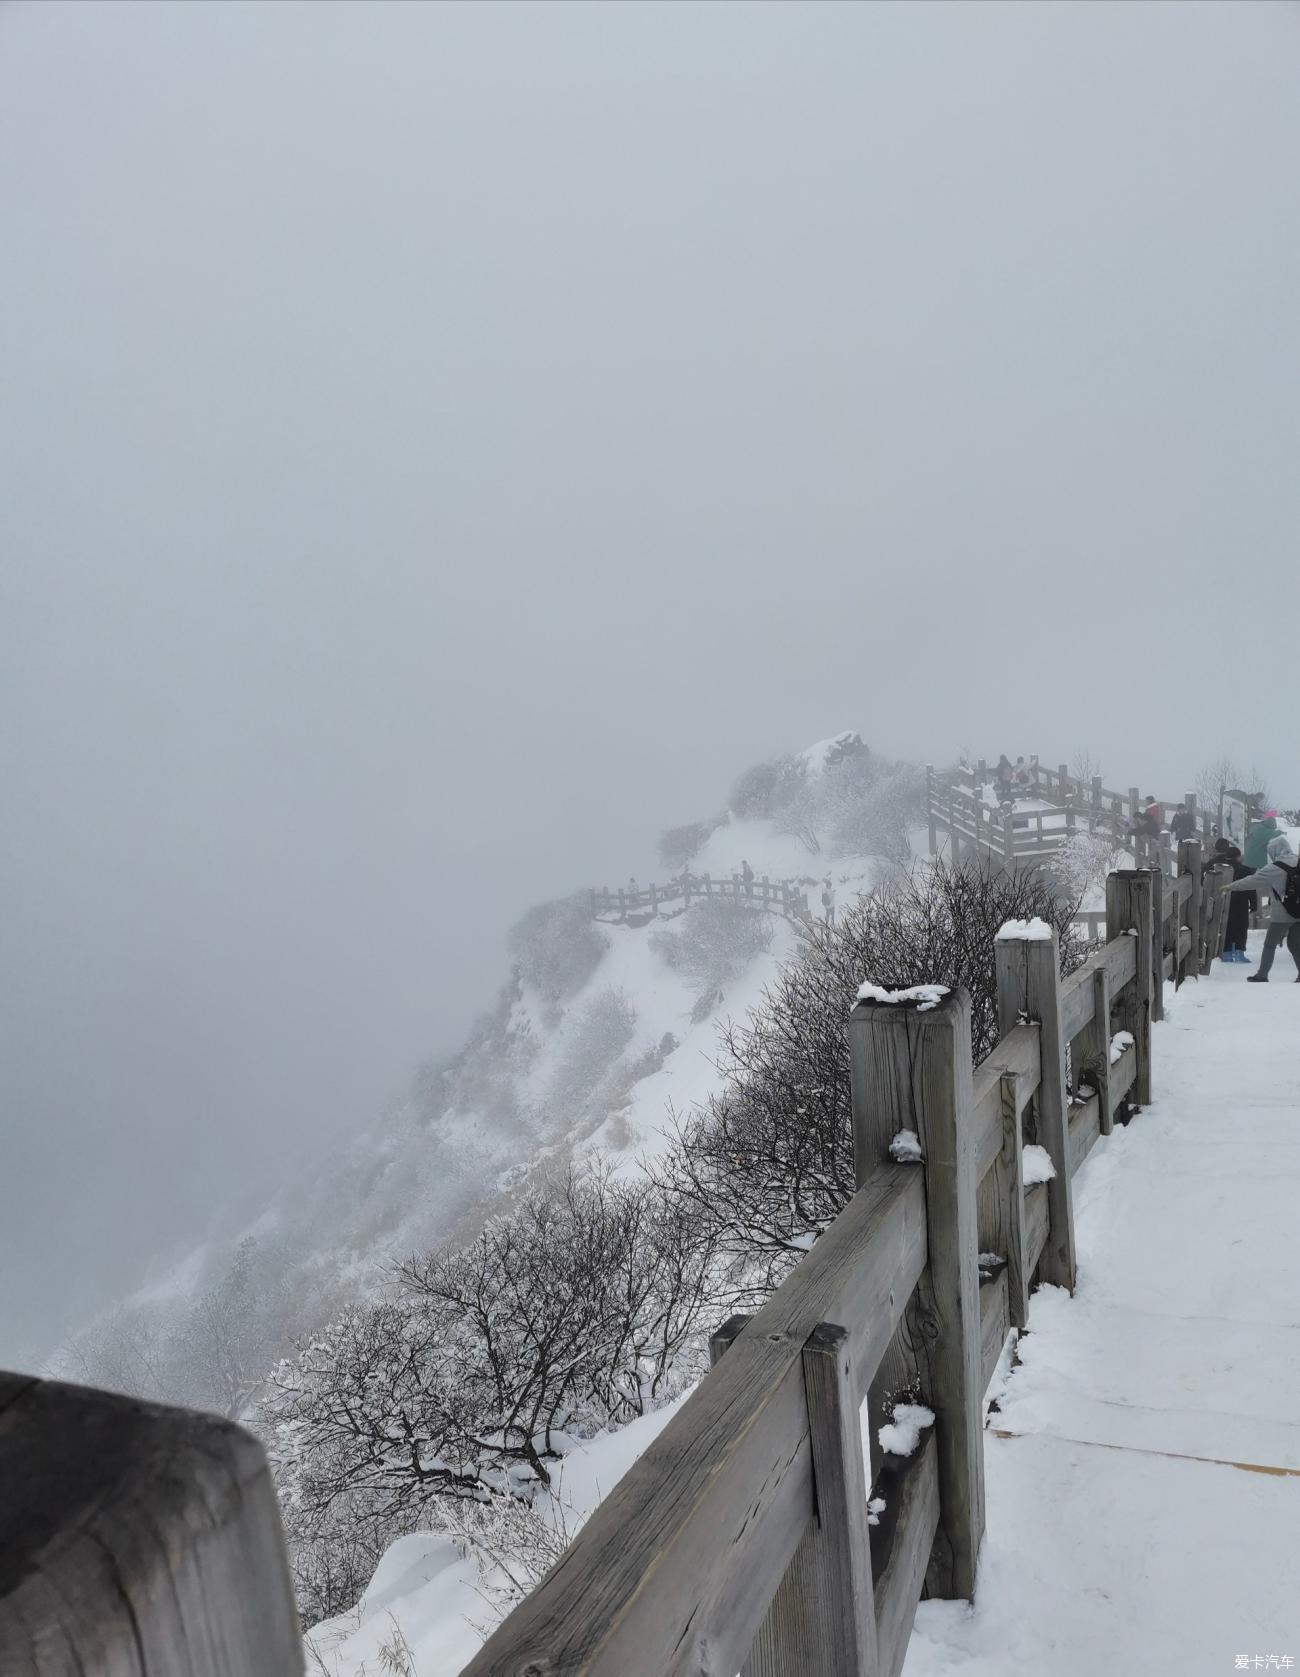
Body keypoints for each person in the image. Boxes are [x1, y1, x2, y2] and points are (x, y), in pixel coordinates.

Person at [1227, 835, 1300, 982]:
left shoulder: (1275, 867)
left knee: (1269, 944)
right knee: (1295, 944)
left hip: (1283, 914)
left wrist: (1231, 886)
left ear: (1274, 851)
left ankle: (1262, 975)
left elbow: (1252, 881)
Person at [1207, 842, 1253, 963]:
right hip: (1241, 903)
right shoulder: (1245, 869)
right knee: (1241, 927)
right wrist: (1254, 905)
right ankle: (1239, 952)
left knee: (1225, 926)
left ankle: (1226, 952)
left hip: (1222, 902)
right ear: (1238, 857)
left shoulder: (1218, 868)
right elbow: (1251, 888)